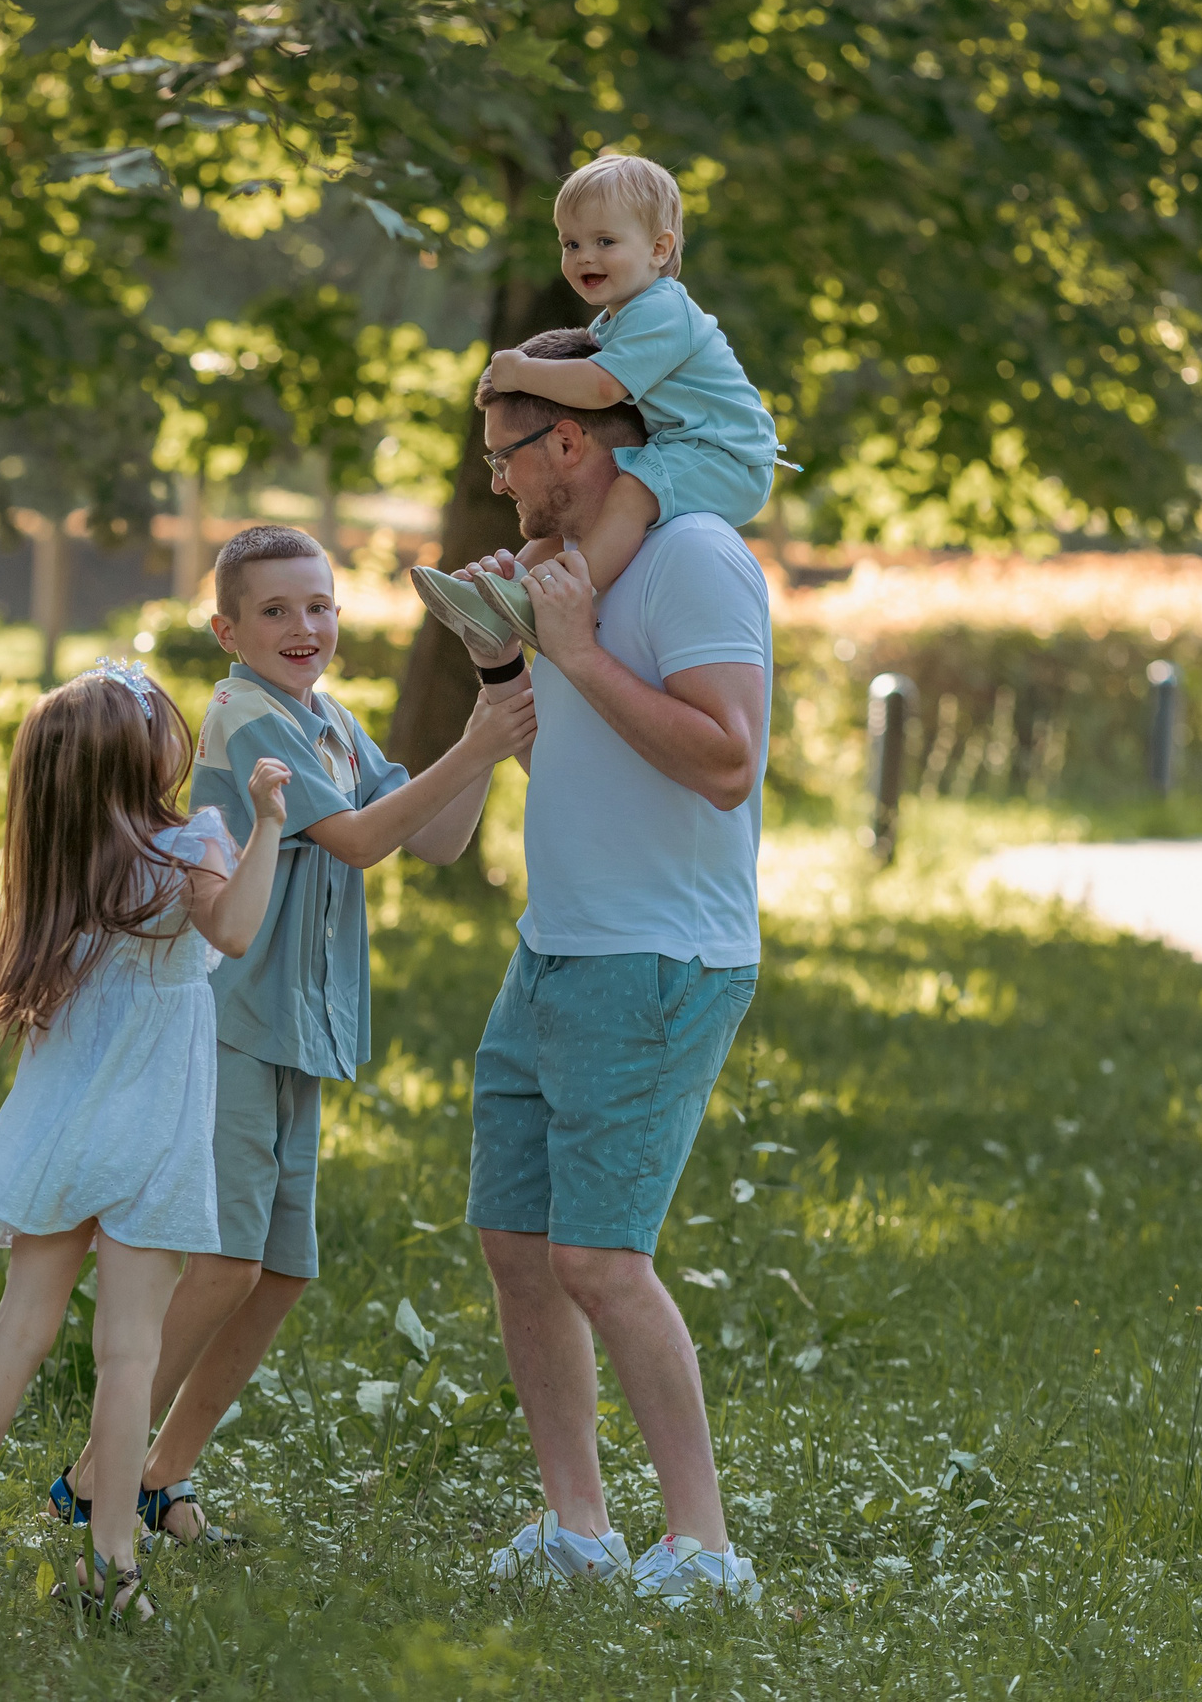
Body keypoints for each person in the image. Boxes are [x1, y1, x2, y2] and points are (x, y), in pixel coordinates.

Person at [59, 525, 536, 1546]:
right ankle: (97, 1472)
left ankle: (159, 1476)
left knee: (282, 1271)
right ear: (227, 629)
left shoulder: (330, 723)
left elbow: (439, 839)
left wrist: (488, 727)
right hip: (234, 1021)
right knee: (227, 1264)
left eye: (318, 605)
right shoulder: (243, 717)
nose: (302, 625)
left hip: (302, 1030)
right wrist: (475, 743)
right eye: (275, 610)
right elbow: (360, 843)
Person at [457, 326, 771, 1600]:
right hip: (553, 953)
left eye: (502, 457)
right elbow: (577, 763)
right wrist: (506, 653)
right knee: (516, 1243)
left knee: (600, 1258)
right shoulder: (572, 571)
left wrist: (576, 651)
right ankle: (577, 1528)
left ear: (570, 442)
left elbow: (723, 761)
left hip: (655, 960)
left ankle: (703, 1548)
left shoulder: (693, 557)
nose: (495, 482)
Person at [0, 660, 291, 1623]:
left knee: (19, 1327)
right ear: (141, 753)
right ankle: (112, 1563)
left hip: (61, 1128)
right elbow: (238, 931)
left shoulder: (56, 869)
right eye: (161, 718)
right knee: (129, 1354)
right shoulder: (189, 843)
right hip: (154, 1131)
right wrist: (270, 825)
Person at [482, 151, 792, 583]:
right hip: (682, 446)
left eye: (605, 241)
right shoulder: (617, 319)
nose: (584, 257)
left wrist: (520, 372)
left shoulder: (661, 311)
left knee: (630, 492)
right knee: (584, 500)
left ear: (658, 249)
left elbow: (602, 387)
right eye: (571, 244)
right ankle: (506, 586)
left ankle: (575, 590)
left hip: (725, 456)